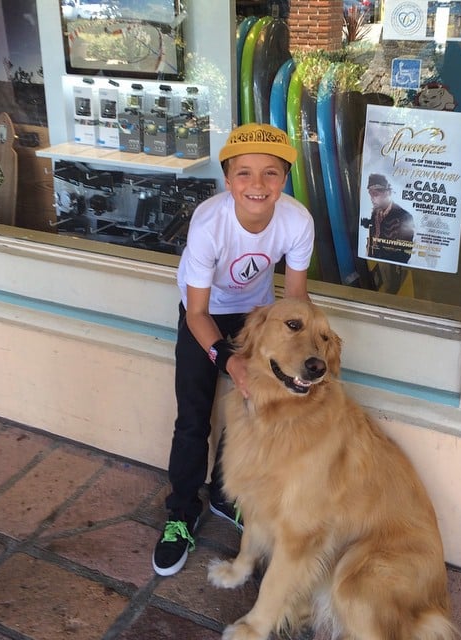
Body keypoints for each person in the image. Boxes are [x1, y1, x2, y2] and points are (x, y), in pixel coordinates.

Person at [152, 123, 315, 577]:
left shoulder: (298, 220)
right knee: (193, 415)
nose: (257, 185)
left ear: (285, 178)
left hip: (255, 314)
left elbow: (296, 298)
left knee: (248, 409)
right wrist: (230, 361)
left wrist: (300, 348)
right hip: (202, 313)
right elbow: (197, 313)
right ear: (228, 180)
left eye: (271, 173)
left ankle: (224, 494)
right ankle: (181, 513)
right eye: (244, 174)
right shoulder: (210, 224)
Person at [361, 173, 414, 263]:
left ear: (388, 193)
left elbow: (405, 254)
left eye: (376, 194)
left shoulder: (404, 217)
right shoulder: (375, 213)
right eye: (370, 194)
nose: (372, 199)